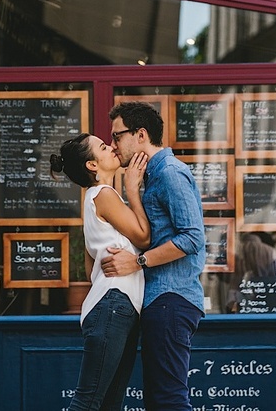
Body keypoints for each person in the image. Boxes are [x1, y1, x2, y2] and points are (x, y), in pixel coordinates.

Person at [101, 101, 206, 411]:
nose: (113, 145)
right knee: (160, 400)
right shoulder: (151, 177)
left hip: (171, 298)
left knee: (169, 401)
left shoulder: (170, 173)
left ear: (141, 134)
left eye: (117, 136)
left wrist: (137, 262)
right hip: (161, 300)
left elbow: (192, 237)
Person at [50, 133, 151, 411]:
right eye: (104, 148)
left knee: (106, 404)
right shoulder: (104, 195)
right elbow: (143, 237)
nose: (112, 148)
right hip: (114, 306)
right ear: (93, 165)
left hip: (117, 307)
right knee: (88, 402)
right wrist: (133, 189)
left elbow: (88, 266)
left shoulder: (94, 200)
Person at [224, 233, 276, 313]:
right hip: (266, 298)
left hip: (241, 300)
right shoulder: (272, 252)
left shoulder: (237, 251)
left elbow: (232, 281)